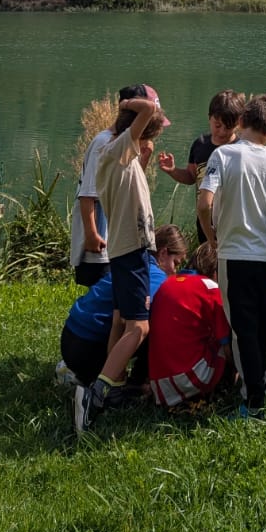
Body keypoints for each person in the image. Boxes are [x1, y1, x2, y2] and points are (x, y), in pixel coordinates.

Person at [74, 85, 169, 434]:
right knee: (139, 328)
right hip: (131, 251)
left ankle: (112, 386)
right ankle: (95, 394)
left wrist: (144, 155)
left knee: (121, 319)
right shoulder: (117, 147)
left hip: (125, 249)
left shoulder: (119, 155)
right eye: (153, 129)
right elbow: (147, 111)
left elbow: (130, 187)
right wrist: (130, 104)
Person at [197, 94, 266, 421]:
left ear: (243, 119)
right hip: (264, 256)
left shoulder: (222, 155)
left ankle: (253, 401)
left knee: (242, 328)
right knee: (262, 325)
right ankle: (259, 382)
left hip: (233, 255)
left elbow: (204, 203)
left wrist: (212, 238)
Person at [59, 225, 187, 388]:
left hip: (69, 338)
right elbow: (125, 322)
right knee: (157, 324)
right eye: (175, 263)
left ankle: (84, 375)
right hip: (87, 348)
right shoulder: (156, 276)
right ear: (163, 253)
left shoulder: (131, 263)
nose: (175, 271)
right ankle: (136, 382)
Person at [69, 85, 147, 286]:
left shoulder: (123, 143)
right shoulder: (103, 143)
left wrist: (145, 157)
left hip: (115, 241)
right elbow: (87, 194)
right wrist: (91, 235)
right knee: (102, 293)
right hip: (100, 243)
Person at [148, 243, 234, 410]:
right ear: (217, 271)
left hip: (158, 384)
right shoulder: (211, 288)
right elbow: (227, 345)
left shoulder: (167, 283)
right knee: (226, 337)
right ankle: (227, 386)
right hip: (189, 379)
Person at [158, 90, 244, 243]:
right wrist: (173, 170)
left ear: (238, 123)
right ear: (209, 118)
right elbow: (192, 177)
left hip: (232, 223)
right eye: (217, 125)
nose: (222, 132)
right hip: (204, 222)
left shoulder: (241, 149)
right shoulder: (200, 144)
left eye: (228, 127)